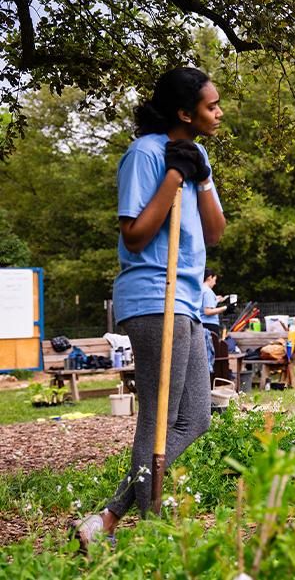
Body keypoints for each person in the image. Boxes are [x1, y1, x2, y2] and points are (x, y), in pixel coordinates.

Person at [76, 67, 226, 546]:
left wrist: (198, 177)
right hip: (151, 297)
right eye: (211, 106)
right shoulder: (144, 155)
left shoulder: (197, 154)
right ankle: (152, 531)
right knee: (158, 418)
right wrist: (173, 176)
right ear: (185, 112)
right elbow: (136, 237)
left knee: (196, 417)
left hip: (187, 299)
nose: (219, 113)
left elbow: (215, 232)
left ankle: (109, 516)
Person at [200, 269, 226, 371]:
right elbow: (207, 311)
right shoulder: (207, 291)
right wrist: (225, 308)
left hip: (203, 324)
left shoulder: (200, 289)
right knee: (210, 353)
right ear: (209, 277)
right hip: (209, 325)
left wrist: (217, 300)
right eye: (214, 279)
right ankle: (210, 376)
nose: (215, 283)